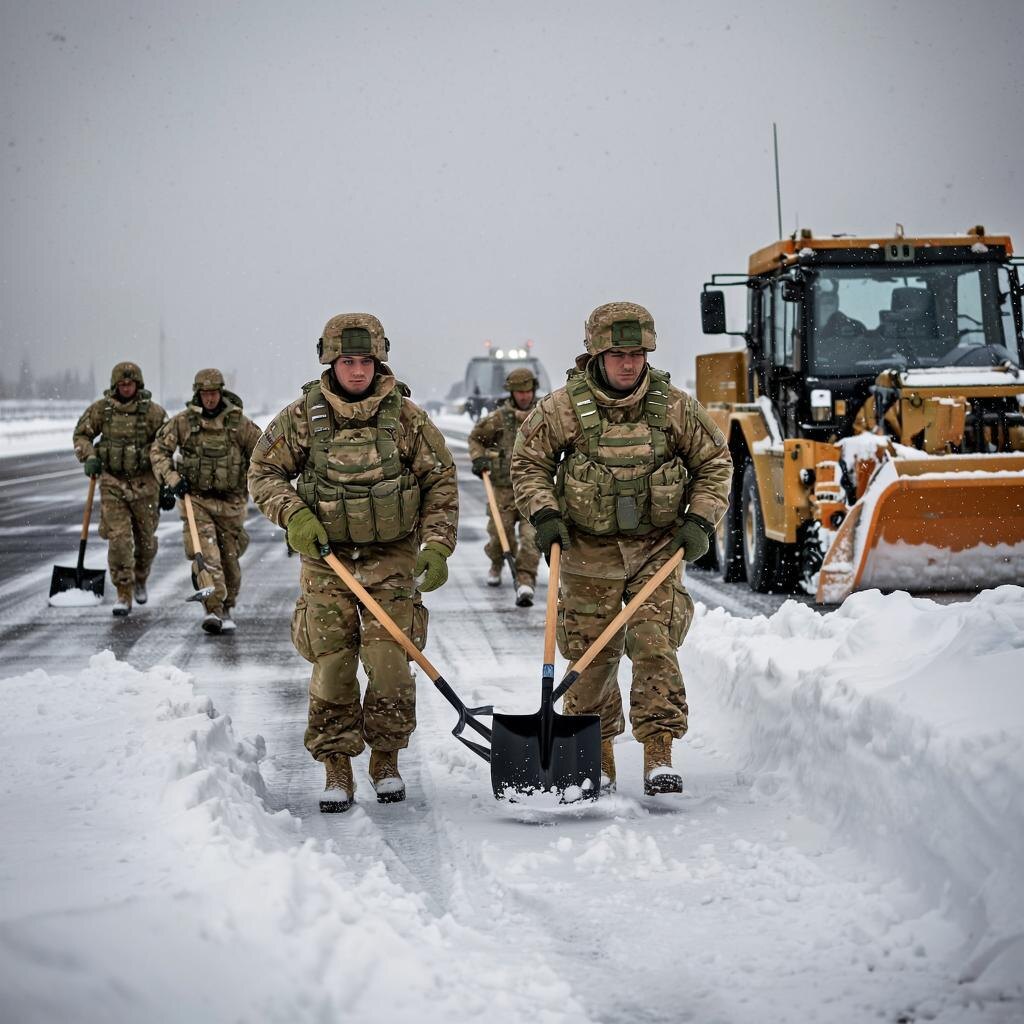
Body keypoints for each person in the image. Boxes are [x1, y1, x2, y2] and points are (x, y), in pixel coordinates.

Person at [510, 301, 732, 795]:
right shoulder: (563, 408)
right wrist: (545, 515)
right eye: (617, 354)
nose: (629, 364)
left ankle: (659, 755)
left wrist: (700, 519)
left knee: (655, 645)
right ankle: (597, 760)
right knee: (590, 659)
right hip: (588, 553)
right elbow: (528, 463)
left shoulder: (673, 405)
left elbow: (716, 462)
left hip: (657, 548)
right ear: (595, 353)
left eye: (637, 353)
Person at [248, 314, 458, 812]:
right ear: (330, 361)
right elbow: (264, 472)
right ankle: (336, 765)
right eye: (348, 361)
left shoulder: (406, 417)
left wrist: (437, 544)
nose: (358, 371)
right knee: (333, 665)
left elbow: (440, 482)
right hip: (328, 561)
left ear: (378, 360)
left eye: (366, 361)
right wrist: (295, 515)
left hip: (392, 559)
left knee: (389, 665)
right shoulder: (303, 417)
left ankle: (385, 758)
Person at [150, 368, 262, 635]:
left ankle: (228, 605)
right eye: (204, 393)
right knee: (207, 555)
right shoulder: (183, 423)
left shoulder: (239, 424)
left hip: (232, 503)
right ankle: (214, 609)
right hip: (196, 501)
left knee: (229, 562)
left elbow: (263, 454)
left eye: (213, 393)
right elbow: (159, 451)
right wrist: (171, 478)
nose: (210, 399)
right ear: (197, 394)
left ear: (220, 392)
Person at [72, 362, 168, 616]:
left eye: (131, 384)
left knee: (146, 544)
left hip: (146, 486)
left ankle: (140, 577)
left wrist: (168, 481)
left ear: (138, 385)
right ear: (115, 386)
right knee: (119, 540)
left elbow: (168, 446)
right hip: (112, 484)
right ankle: (123, 592)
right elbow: (81, 436)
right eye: (122, 384)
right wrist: (89, 455)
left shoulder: (153, 413)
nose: (126, 388)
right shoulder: (101, 411)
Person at [468, 366, 541, 605]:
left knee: (532, 539)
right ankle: (497, 562)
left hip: (533, 490)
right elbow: (476, 439)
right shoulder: (498, 419)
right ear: (511, 393)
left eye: (528, 390)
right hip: (503, 490)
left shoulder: (544, 416)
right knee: (501, 536)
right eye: (519, 391)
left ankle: (525, 581)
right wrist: (479, 458)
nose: (524, 396)